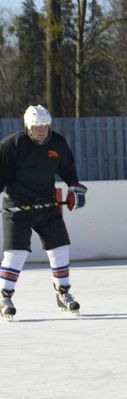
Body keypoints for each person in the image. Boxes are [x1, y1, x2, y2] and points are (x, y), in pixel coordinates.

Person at [0, 105, 87, 321]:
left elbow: (67, 168)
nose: (42, 131)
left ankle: (63, 292)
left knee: (60, 246)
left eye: (45, 126)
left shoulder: (57, 143)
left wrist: (74, 186)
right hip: (17, 205)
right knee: (16, 253)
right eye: (37, 127)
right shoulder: (13, 145)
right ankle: (4, 297)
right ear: (28, 126)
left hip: (47, 204)